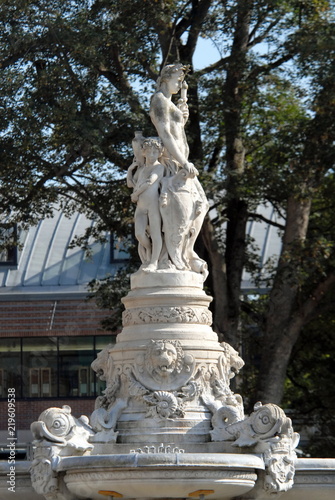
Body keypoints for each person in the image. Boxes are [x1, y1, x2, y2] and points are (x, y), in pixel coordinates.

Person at [149, 64, 209, 277]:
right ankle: (173, 259)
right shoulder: (159, 100)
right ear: (165, 79)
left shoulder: (170, 103)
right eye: (177, 80)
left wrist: (182, 118)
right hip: (173, 167)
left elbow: (176, 131)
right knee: (180, 215)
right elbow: (165, 134)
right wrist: (184, 162)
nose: (180, 84)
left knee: (201, 206)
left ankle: (186, 252)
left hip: (181, 166)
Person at [130, 137, 164, 272]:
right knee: (139, 234)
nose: (151, 155)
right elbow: (131, 183)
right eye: (149, 152)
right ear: (143, 153)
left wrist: (136, 194)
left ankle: (154, 262)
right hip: (141, 206)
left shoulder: (159, 167)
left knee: (156, 234)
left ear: (160, 153)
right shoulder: (142, 169)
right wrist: (129, 171)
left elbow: (150, 181)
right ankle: (149, 250)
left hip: (153, 205)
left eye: (155, 153)